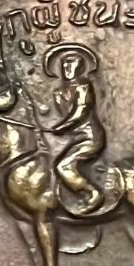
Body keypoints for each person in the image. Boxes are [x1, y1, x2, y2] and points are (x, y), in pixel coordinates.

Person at [45, 44, 106, 214]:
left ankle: (93, 194)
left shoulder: (82, 86)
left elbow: (80, 111)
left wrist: (62, 127)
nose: (67, 69)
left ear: (79, 68)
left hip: (90, 137)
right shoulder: (59, 92)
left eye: (71, 65)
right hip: (75, 138)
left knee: (63, 166)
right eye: (64, 66)